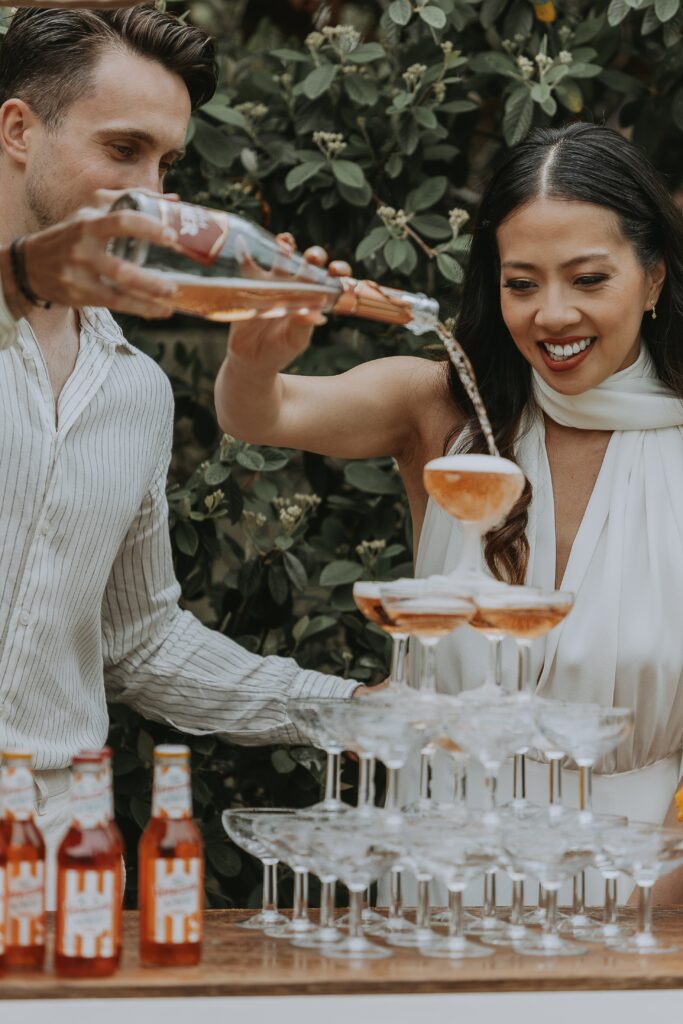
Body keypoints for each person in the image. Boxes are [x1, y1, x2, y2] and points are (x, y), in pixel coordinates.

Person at [216, 122, 683, 902]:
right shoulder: (442, 409)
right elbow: (260, 414)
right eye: (521, 283)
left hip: (638, 883)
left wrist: (656, 890)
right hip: (438, 878)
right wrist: (252, 358)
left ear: (653, 279)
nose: (551, 315)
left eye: (587, 279)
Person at [0, 7, 367, 910]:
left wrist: (348, 711)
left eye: (165, 163)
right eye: (123, 150)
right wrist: (21, 277)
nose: (153, 193)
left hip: (63, 860)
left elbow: (139, 640)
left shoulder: (136, 389)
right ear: (17, 129)